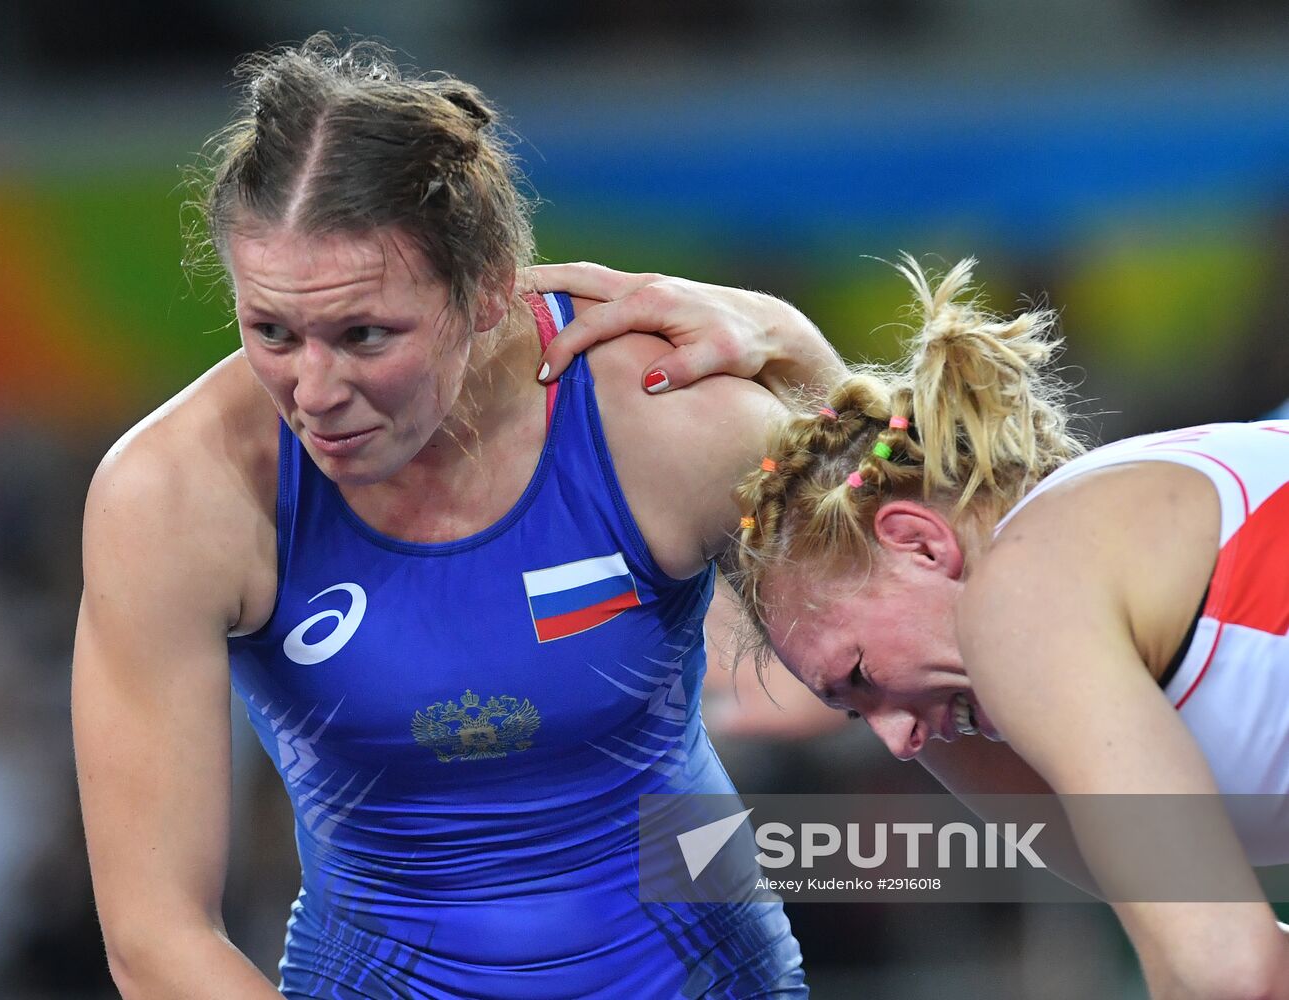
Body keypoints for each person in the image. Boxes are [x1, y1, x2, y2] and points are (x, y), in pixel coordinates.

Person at [70, 35, 844, 1000]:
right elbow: (152, 935)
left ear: (486, 289)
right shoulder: (175, 492)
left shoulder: (668, 421)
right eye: (271, 331)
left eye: (365, 335)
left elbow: (947, 620)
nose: (313, 392)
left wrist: (808, 362)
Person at [531, 258, 1289, 999]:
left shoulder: (1025, 596)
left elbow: (1227, 976)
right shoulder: (1110, 545)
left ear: (922, 542)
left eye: (859, 676)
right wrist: (794, 347)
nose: (896, 741)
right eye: (856, 712)